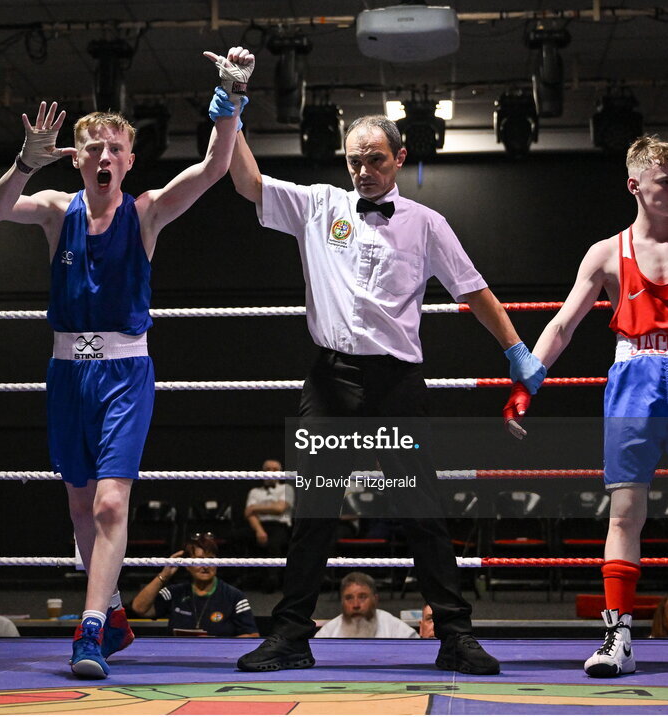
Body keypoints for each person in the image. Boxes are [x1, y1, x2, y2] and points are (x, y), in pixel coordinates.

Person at [219, 57, 545, 674]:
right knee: (313, 508)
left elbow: (473, 290)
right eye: (353, 161)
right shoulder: (318, 205)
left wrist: (514, 348)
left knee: (420, 509)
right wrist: (233, 108)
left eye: (374, 159)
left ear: (397, 159)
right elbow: (250, 184)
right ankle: (290, 635)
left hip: (396, 382)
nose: (363, 170)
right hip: (331, 378)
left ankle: (453, 634)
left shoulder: (427, 223)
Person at [0, 47, 253, 678]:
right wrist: (25, 162)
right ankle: (115, 616)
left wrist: (230, 101)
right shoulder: (56, 211)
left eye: (116, 149)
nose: (105, 157)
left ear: (129, 160)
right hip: (66, 374)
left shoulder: (147, 211)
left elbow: (216, 168)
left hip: (126, 375)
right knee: (81, 507)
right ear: (77, 159)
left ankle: (91, 628)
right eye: (93, 148)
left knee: (109, 505)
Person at [505, 135, 668, 677]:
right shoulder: (607, 253)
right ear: (635, 185)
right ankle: (617, 636)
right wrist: (528, 381)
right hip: (632, 378)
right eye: (664, 181)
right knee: (626, 511)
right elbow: (563, 325)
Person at [130, 533, 258, 637]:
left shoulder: (234, 596)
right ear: (187, 565)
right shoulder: (174, 593)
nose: (205, 565)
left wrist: (216, 646)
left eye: (210, 559)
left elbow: (252, 636)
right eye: (198, 560)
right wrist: (165, 575)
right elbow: (139, 608)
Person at [314, 572, 418, 639]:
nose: (356, 605)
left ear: (375, 599)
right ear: (342, 602)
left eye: (362, 597)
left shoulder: (397, 630)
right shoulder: (328, 633)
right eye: (349, 598)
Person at [243, 458, 293, 592]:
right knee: (234, 537)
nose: (271, 472)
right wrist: (259, 531)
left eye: (275, 470)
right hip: (258, 526)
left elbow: (279, 509)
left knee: (274, 542)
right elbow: (249, 513)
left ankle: (273, 579)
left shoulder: (286, 488)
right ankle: (243, 579)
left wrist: (256, 508)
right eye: (268, 469)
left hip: (279, 526)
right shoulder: (254, 491)